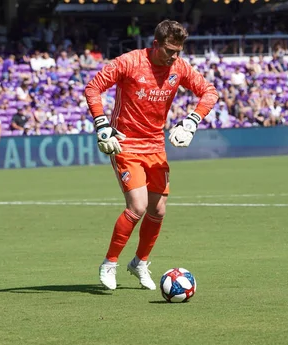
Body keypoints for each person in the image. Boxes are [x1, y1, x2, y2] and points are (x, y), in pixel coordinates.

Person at [84, 20, 218, 290]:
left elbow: (209, 92)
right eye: (169, 50)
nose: (174, 56)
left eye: (179, 51)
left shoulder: (178, 67)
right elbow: (93, 88)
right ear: (155, 44)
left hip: (156, 145)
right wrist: (101, 125)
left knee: (158, 209)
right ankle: (109, 263)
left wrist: (192, 121)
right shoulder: (129, 62)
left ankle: (140, 263)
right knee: (138, 206)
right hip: (126, 144)